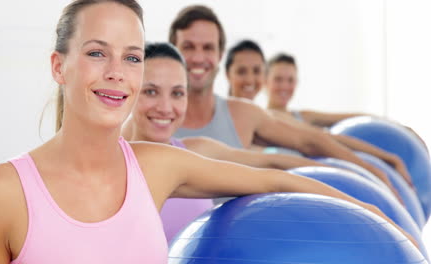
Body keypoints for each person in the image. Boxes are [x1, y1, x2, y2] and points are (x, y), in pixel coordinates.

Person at [0, 1, 417, 263]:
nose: (117, 73)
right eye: (97, 53)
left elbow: (276, 179)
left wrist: (384, 218)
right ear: (59, 65)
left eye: (132, 57)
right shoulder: (2, 194)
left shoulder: (156, 167)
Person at [168, 5, 403, 193]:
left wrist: (371, 170)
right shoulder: (151, 121)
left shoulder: (243, 114)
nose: (198, 57)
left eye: (207, 48)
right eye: (188, 47)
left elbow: (310, 140)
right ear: (173, 49)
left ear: (219, 54)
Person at [122, 42, 333, 241]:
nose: (165, 107)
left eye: (177, 93)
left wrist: (350, 185)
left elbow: (272, 169)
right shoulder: (113, 162)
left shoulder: (196, 153)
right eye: (150, 91)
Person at [224, 40, 414, 187]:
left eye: (256, 71)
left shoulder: (276, 120)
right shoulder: (241, 119)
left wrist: (389, 141)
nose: (250, 78)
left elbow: (323, 138)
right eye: (241, 71)